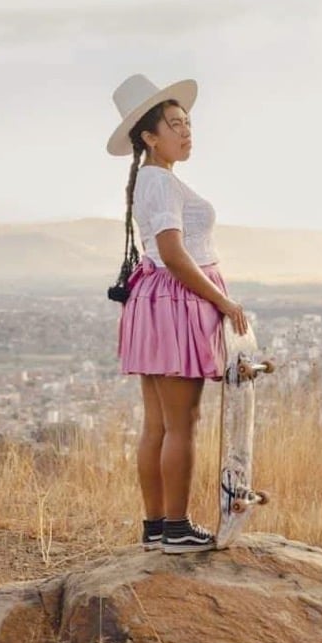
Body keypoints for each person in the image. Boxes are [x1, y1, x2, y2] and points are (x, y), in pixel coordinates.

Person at [106, 73, 247, 553]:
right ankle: (176, 527)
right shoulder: (161, 183)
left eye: (187, 123)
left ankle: (156, 527)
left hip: (156, 302)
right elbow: (172, 251)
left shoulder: (152, 179)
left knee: (159, 425)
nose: (186, 132)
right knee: (182, 422)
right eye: (174, 124)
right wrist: (221, 300)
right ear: (149, 136)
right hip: (176, 302)